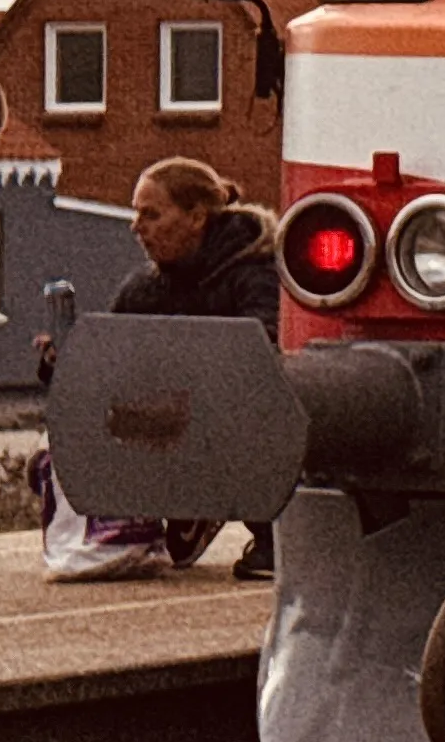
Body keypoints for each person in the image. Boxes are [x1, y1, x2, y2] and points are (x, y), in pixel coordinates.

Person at [40, 156, 285, 582]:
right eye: (136, 214)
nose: (136, 227)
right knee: (68, 439)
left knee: (249, 410)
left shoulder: (259, 274)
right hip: (177, 419)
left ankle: (265, 532)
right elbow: (108, 370)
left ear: (196, 217)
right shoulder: (145, 287)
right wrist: (67, 362)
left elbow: (266, 357)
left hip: (243, 419)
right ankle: (172, 511)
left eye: (151, 215)